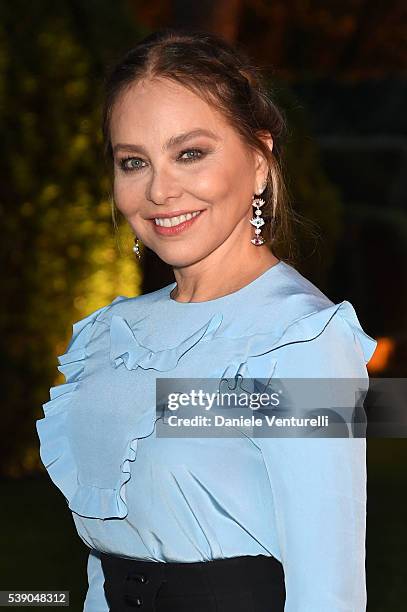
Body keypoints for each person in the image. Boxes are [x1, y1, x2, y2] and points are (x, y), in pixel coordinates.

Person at [36, 29, 377, 612]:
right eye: (133, 162)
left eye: (190, 153)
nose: (160, 190)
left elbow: (330, 587)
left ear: (260, 160)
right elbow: (106, 556)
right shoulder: (107, 336)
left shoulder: (302, 338)